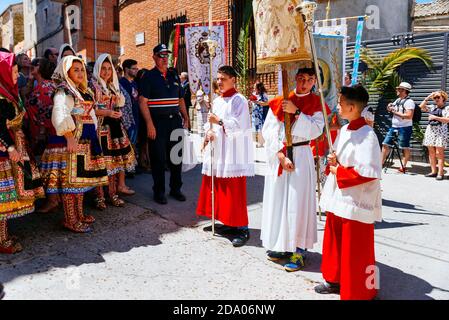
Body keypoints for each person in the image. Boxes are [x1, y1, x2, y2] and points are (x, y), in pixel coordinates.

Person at [315, 85, 382, 300]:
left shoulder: (368, 135)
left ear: (352, 107)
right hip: (338, 196)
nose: (338, 106)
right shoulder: (344, 130)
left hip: (356, 199)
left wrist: (338, 170)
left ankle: (362, 290)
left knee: (356, 248)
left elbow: (368, 172)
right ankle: (334, 279)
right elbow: (339, 159)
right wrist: (334, 161)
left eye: (341, 103)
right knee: (334, 240)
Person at [260, 66, 326, 271]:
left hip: (301, 154)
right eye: (300, 78)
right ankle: (282, 244)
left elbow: (316, 130)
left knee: (298, 203)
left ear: (315, 81)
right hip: (279, 156)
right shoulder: (281, 100)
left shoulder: (317, 103)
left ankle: (298, 250)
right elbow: (268, 132)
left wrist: (297, 112)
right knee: (280, 201)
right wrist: (279, 155)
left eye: (308, 79)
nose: (304, 83)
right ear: (294, 79)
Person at [47, 55, 108, 233]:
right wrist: (69, 137)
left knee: (80, 182)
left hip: (87, 142)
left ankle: (79, 215)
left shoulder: (83, 91)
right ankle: (70, 219)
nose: (80, 73)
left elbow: (92, 115)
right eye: (76, 70)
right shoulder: (63, 91)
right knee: (70, 184)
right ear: (67, 72)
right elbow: (60, 114)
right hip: (73, 142)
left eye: (81, 69)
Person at [196, 65, 255, 247]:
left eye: (223, 78)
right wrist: (209, 132)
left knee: (234, 189)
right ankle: (228, 222)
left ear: (233, 80)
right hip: (219, 149)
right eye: (218, 78)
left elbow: (240, 126)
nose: (219, 82)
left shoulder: (239, 100)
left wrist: (219, 122)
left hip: (233, 152)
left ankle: (242, 228)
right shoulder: (218, 100)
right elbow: (210, 123)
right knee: (219, 186)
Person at [0, 51, 45, 253]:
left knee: (8, 196)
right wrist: (10, 147)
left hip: (14, 145)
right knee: (3, 197)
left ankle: (4, 235)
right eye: (14, 71)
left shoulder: (8, 92)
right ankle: (2, 240)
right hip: (4, 150)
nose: (17, 75)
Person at [138, 44, 189, 204]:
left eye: (166, 55)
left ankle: (176, 189)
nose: (164, 58)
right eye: (161, 55)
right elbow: (142, 102)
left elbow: (180, 99)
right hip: (157, 123)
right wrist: (149, 125)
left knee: (176, 158)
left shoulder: (174, 75)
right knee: (158, 159)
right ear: (154, 57)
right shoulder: (148, 76)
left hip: (175, 121)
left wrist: (185, 116)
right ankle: (159, 192)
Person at [90, 53, 137, 210]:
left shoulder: (112, 86)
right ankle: (99, 197)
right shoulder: (93, 85)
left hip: (114, 129)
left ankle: (112, 194)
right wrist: (109, 113)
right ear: (98, 69)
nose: (106, 72)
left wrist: (116, 111)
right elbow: (90, 109)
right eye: (103, 68)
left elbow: (119, 103)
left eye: (109, 69)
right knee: (101, 165)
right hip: (100, 129)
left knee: (114, 164)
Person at [381, 82, 415, 173]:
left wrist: (394, 112)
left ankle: (403, 166)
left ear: (404, 91)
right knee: (385, 144)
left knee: (404, 147)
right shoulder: (398, 100)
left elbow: (409, 116)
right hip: (394, 126)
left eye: (399, 89)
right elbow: (392, 109)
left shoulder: (409, 102)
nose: (397, 90)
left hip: (405, 127)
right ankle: (380, 164)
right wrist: (389, 106)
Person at [26, 57, 56, 157]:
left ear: (43, 68)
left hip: (44, 136)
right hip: (37, 133)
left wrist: (42, 132)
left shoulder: (46, 87)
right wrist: (30, 80)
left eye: (36, 63)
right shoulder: (40, 86)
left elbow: (47, 112)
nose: (32, 65)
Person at [420, 90, 449, 180]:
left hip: (441, 132)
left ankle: (440, 173)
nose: (436, 99)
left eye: (438, 97)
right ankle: (433, 172)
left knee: (439, 153)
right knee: (431, 152)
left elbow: (447, 120)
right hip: (430, 131)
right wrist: (428, 97)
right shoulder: (432, 107)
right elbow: (421, 107)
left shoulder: (447, 108)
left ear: (443, 98)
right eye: (435, 97)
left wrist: (435, 117)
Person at [119, 59, 140, 146]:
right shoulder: (121, 83)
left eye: (137, 68)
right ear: (127, 69)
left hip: (137, 119)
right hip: (127, 122)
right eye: (134, 68)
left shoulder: (135, 83)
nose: (136, 70)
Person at [250, 82, 269, 148]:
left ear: (259, 88)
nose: (254, 88)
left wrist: (257, 102)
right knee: (255, 127)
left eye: (255, 87)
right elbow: (252, 103)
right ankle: (258, 141)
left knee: (261, 127)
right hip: (255, 114)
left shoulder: (263, 95)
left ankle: (261, 142)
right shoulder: (253, 94)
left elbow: (267, 103)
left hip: (261, 114)